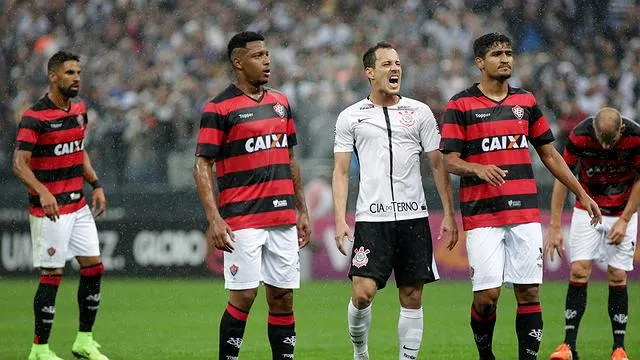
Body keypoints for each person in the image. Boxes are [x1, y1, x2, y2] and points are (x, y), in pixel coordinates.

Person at [439, 33, 602, 360]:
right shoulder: (460, 104)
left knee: (528, 292)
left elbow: (551, 155)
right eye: (497, 54)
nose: (506, 59)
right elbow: (448, 160)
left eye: (509, 53)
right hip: (482, 214)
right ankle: (486, 355)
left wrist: (581, 192)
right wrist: (477, 169)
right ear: (480, 62)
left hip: (525, 212)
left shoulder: (525, 102)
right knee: (487, 297)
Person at [332, 41, 459, 360]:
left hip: (413, 219)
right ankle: (360, 351)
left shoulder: (420, 112)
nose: (395, 68)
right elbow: (341, 171)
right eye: (387, 64)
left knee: (412, 294)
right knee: (362, 294)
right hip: (372, 221)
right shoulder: (351, 117)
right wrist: (339, 219)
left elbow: (437, 164)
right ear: (370, 73)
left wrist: (448, 213)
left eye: (398, 63)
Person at [193, 31, 311, 360]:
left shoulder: (280, 103)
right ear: (238, 62)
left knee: (283, 297)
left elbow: (290, 159)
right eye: (258, 56)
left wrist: (301, 209)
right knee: (244, 296)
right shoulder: (218, 107)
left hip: (282, 215)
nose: (267, 61)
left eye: (267, 54)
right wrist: (214, 218)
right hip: (242, 217)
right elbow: (202, 164)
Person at [13, 51, 109, 360]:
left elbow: (78, 150)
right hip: (50, 211)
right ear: (53, 77)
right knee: (52, 273)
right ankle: (39, 349)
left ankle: (84, 340)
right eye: (69, 73)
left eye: (78, 72)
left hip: (77, 204)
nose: (76, 78)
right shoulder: (35, 117)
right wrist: (42, 191)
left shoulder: (80, 109)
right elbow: (18, 164)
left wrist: (95, 184)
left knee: (94, 267)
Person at [545, 107, 639, 360]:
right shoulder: (580, 135)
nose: (606, 148)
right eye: (601, 140)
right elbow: (562, 176)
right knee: (578, 270)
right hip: (587, 208)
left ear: (622, 129)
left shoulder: (637, 137)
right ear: (594, 130)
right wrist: (554, 226)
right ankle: (568, 347)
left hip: (622, 211)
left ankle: (619, 349)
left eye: (612, 142)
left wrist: (625, 219)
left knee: (618, 275)